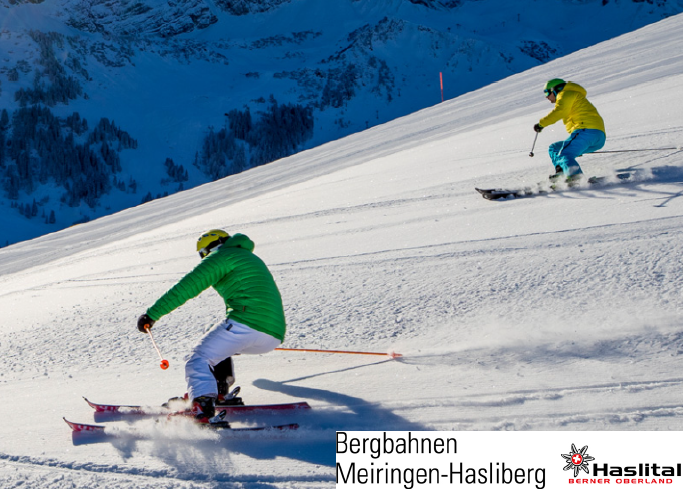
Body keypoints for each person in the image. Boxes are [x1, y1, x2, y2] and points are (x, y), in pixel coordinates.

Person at [137, 230, 286, 423]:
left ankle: (202, 408)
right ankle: (217, 392)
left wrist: (152, 315)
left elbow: (188, 286)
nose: (204, 259)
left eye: (202, 254)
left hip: (247, 322)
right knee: (218, 347)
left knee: (197, 359)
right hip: (272, 334)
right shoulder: (248, 257)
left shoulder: (222, 256)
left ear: (210, 248)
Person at [533, 78, 606, 181]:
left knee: (565, 154)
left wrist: (541, 124)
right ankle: (561, 173)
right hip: (596, 136)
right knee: (554, 148)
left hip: (585, 131)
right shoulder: (572, 95)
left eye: (546, 93)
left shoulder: (565, 94)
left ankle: (576, 178)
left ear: (554, 90)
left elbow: (559, 111)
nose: (546, 97)